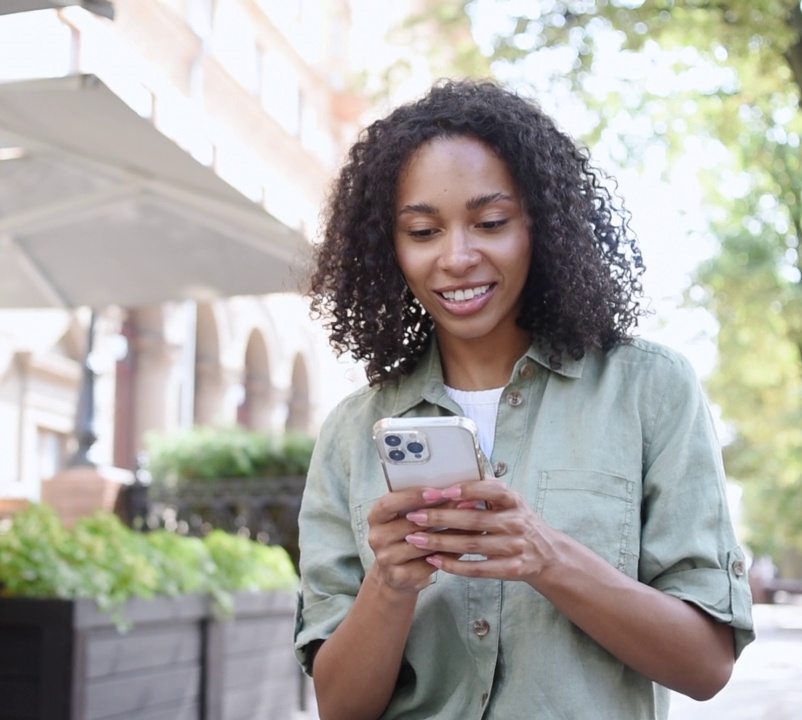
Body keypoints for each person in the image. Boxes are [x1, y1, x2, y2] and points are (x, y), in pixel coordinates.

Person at [294, 78, 755, 719]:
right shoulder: (352, 432)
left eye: (490, 223)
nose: (457, 257)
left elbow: (706, 666)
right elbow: (340, 708)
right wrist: (390, 584)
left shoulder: (650, 391)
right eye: (423, 232)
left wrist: (548, 557)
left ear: (540, 224)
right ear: (388, 248)